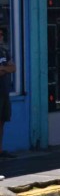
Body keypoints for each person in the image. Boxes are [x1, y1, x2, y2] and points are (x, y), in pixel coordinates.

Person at [0, 27, 16, 157]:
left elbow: (13, 67)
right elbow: (9, 68)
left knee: (2, 121)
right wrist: (6, 68)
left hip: (4, 92)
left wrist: (3, 69)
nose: (1, 36)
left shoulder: (4, 52)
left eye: (2, 34)